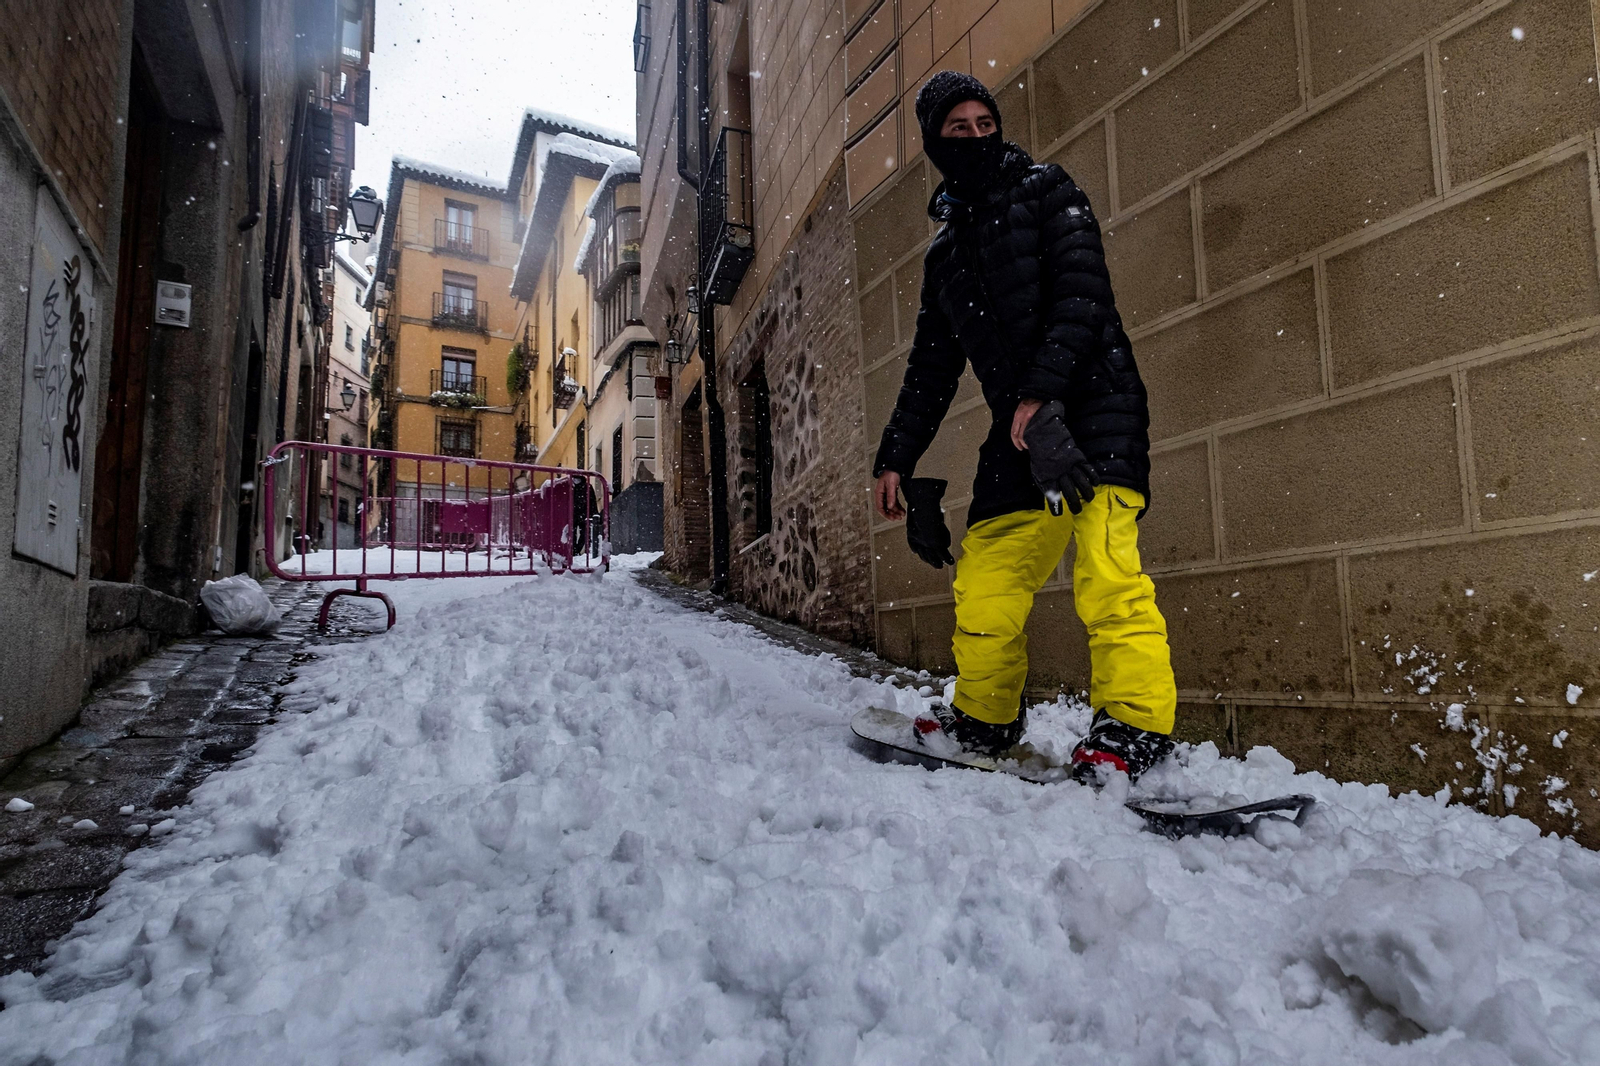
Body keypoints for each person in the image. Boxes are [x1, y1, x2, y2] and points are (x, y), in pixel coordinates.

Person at [872, 70, 1178, 783]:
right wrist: (896, 457)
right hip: (1019, 431)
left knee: (1107, 572)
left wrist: (1043, 392)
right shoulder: (945, 257)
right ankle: (984, 714)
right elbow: (929, 369)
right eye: (959, 128)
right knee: (986, 576)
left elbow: (1084, 295)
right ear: (934, 142)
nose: (978, 136)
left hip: (1095, 407)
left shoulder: (1050, 191)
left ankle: (1133, 725)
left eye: (987, 124)